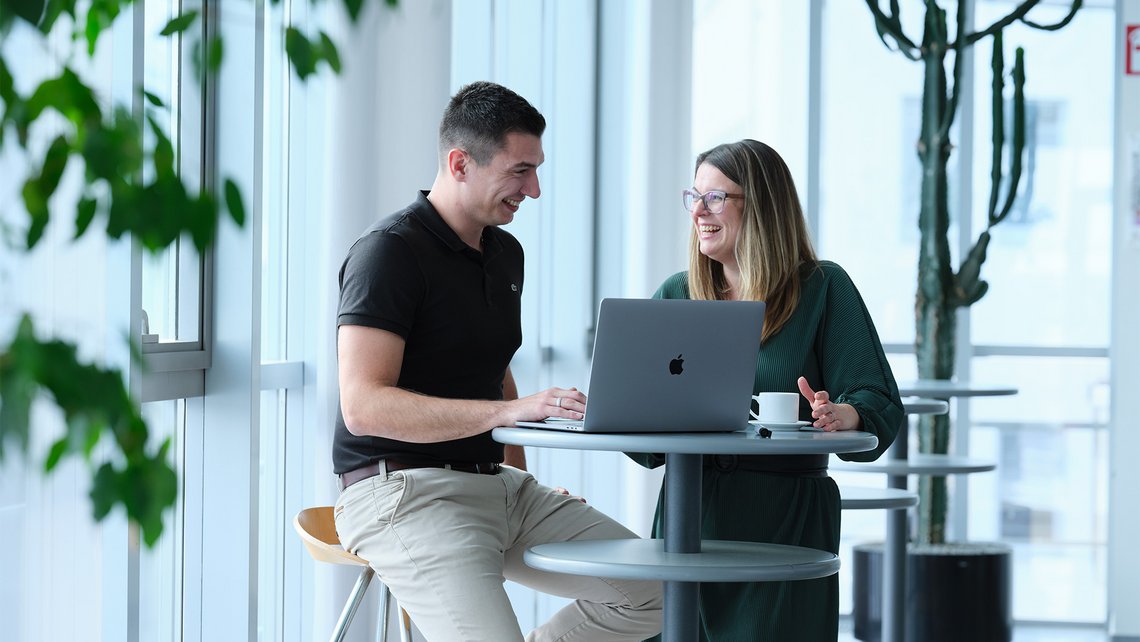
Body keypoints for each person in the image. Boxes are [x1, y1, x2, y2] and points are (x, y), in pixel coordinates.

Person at [331, 81, 662, 642]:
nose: (534, 190)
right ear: (460, 163)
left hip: (496, 487)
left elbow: (494, 371)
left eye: (536, 170)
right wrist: (506, 415)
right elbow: (364, 407)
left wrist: (521, 481)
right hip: (403, 495)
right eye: (519, 171)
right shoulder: (388, 253)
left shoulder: (505, 252)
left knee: (660, 593)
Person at [629, 139, 903, 641]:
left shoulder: (822, 288)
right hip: (692, 512)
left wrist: (844, 413)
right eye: (694, 196)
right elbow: (643, 441)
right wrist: (618, 407)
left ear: (761, 206)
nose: (699, 211)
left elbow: (878, 398)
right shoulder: (677, 294)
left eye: (715, 198)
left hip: (784, 518)